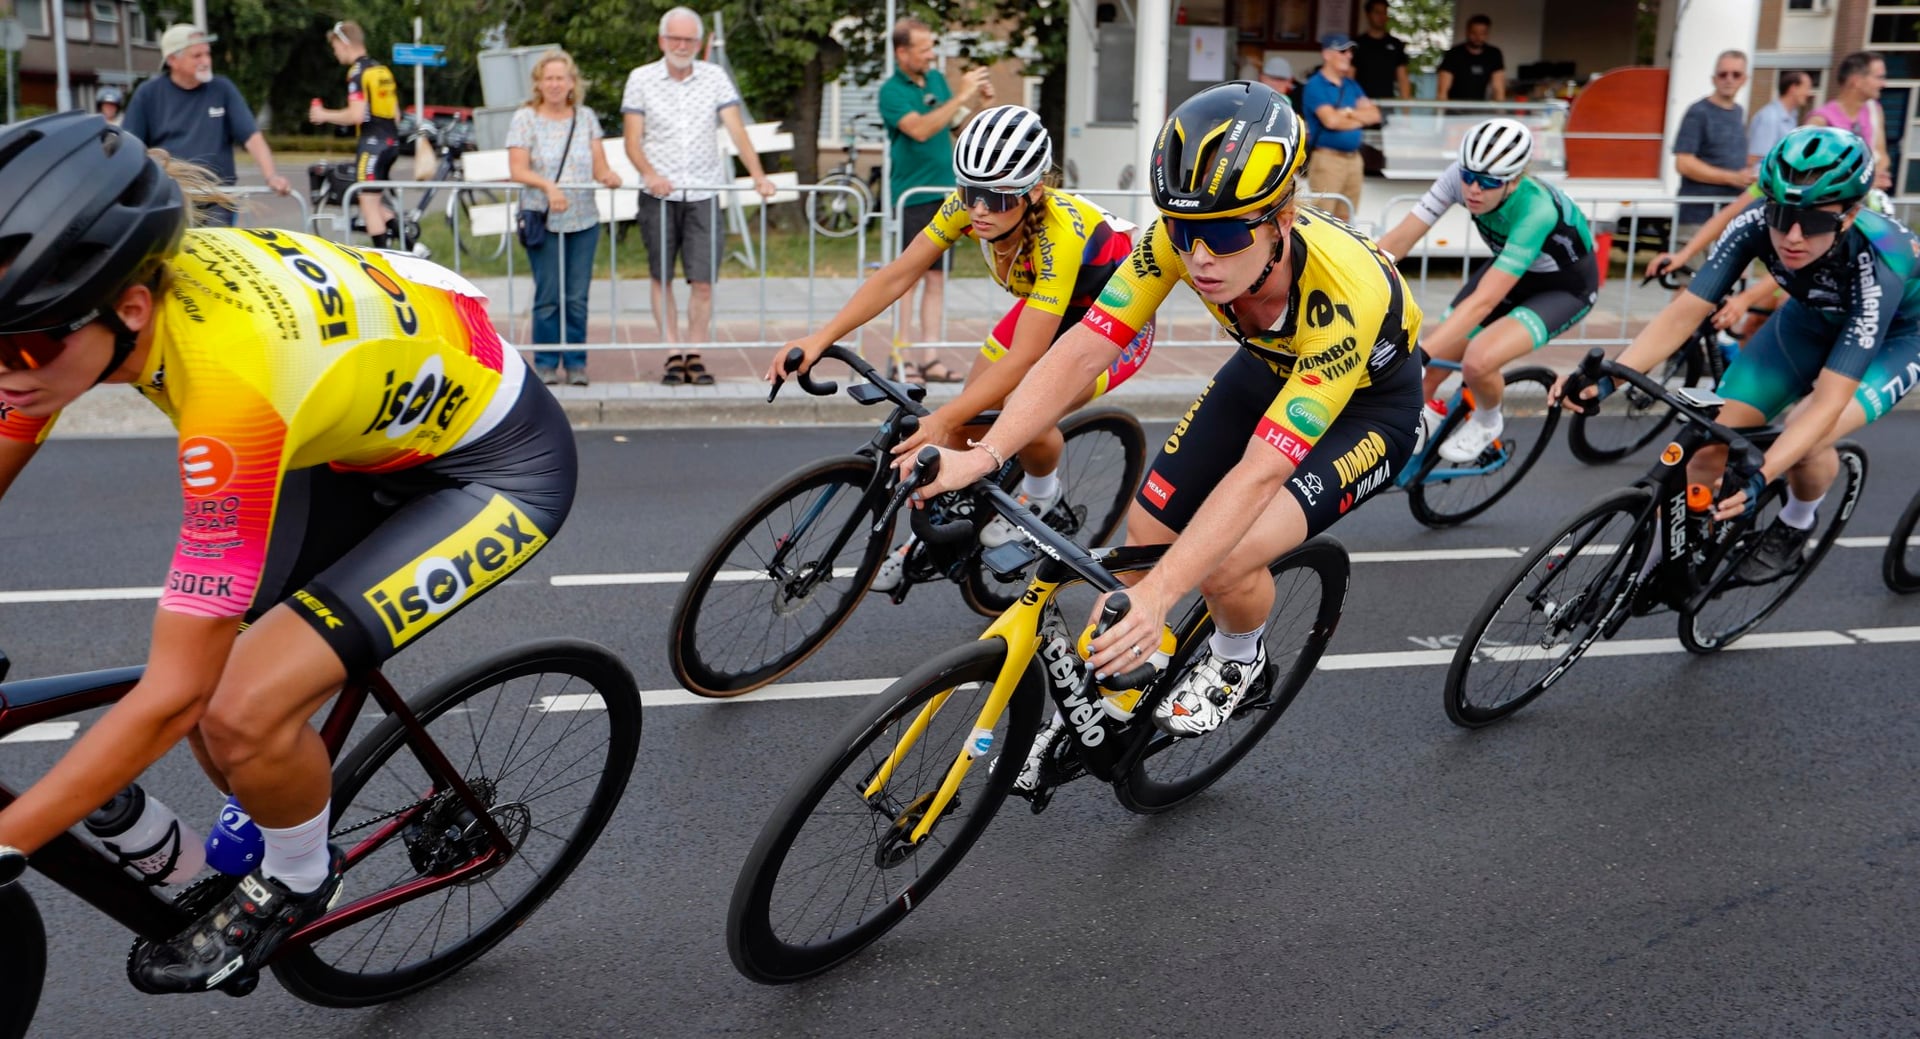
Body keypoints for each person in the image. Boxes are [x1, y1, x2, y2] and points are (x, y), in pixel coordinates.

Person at [0, 112, 576, 993]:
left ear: (131, 309)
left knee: (231, 704)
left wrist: (12, 837)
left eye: (25, 342)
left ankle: (302, 875)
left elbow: (175, 693)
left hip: (495, 465)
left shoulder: (226, 387)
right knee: (222, 691)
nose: (6, 365)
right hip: (353, 428)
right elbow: (13, 420)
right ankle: (270, 792)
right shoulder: (82, 315)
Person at [907, 81, 1422, 746]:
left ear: (1282, 219)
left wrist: (1161, 596)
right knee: (1145, 533)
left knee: (1222, 558)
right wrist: (984, 453)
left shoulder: (1344, 297)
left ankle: (1242, 660)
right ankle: (1122, 694)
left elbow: (1261, 472)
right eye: (1185, 232)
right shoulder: (1173, 244)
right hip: (1270, 366)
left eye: (1229, 233)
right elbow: (1080, 351)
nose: (1201, 258)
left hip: (1370, 407)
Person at [768, 106, 1153, 590]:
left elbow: (1026, 358)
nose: (979, 210)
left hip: (1114, 320)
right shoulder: (968, 207)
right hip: (1048, 306)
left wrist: (944, 417)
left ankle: (1043, 497)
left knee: (1022, 410)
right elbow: (899, 273)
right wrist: (820, 338)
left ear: (1034, 191)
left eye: (995, 198)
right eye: (970, 192)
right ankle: (935, 530)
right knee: (968, 421)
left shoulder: (1059, 235)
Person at [1561, 127, 1918, 583]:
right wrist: (1616, 374)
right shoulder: (1755, 225)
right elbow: (1683, 314)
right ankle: (1657, 568)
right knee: (1711, 439)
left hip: (1896, 338)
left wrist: (1763, 475)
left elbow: (1829, 402)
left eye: (1813, 223)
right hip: (1809, 320)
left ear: (1848, 217)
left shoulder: (1879, 265)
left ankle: (1796, 522)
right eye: (1781, 213)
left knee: (1805, 439)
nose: (1790, 235)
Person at [1375, 118, 1597, 461]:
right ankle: (1414, 429)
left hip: (1564, 288)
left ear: (1515, 180)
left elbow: (1485, 301)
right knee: (1434, 366)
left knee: (1476, 361)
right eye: (1468, 177)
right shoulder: (1458, 177)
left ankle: (1487, 419)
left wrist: (1419, 354)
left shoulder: (1536, 209)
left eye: (1489, 182)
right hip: (1510, 270)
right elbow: (1398, 242)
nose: (1473, 189)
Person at [621, 6, 778, 384]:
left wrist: (758, 174)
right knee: (662, 277)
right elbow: (631, 140)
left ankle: (695, 352)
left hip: (704, 191)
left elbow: (737, 131)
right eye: (675, 38)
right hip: (659, 193)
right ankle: (671, 353)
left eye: (689, 39)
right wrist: (650, 174)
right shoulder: (641, 78)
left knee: (703, 280)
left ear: (698, 42)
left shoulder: (714, 77)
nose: (681, 45)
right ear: (662, 40)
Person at [879, 17, 994, 385]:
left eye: (931, 46)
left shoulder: (937, 82)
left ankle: (929, 357)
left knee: (937, 280)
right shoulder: (891, 91)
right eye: (924, 48)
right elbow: (921, 128)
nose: (931, 55)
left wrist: (981, 103)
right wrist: (960, 95)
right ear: (902, 52)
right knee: (908, 280)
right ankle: (902, 357)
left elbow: (961, 129)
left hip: (946, 196)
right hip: (911, 197)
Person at [508, 49, 624, 387]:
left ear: (572, 83)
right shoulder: (525, 118)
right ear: (539, 84)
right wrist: (549, 187)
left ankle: (576, 363)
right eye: (549, 78)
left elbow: (598, 163)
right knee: (548, 295)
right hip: (543, 220)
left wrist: (608, 176)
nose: (555, 84)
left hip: (583, 220)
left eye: (561, 78)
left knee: (576, 296)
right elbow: (517, 168)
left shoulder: (585, 117)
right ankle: (545, 361)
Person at [121, 24, 291, 225]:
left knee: (216, 250)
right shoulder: (148, 94)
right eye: (197, 56)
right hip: (171, 197)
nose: (206, 61)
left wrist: (271, 176)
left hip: (217, 196)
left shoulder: (222, 89)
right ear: (172, 60)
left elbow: (251, 137)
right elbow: (129, 147)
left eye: (207, 54)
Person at [310, 21, 402, 248]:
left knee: (367, 203)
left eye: (335, 47)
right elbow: (396, 115)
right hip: (390, 143)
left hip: (371, 146)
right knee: (376, 203)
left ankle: (384, 263)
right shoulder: (381, 71)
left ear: (344, 43)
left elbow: (356, 115)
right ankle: (413, 246)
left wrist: (323, 114)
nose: (335, 52)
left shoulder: (357, 73)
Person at [1672, 50, 1755, 238]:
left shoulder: (1739, 113)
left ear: (1745, 80)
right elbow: (1683, 163)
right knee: (1696, 269)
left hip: (1731, 217)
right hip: (1697, 218)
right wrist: (1732, 178)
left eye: (1736, 74)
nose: (1729, 79)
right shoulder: (1698, 112)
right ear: (1714, 79)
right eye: (1723, 74)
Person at [1299, 34, 1379, 223]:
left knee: (1347, 219)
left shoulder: (1351, 85)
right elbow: (1331, 121)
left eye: (1350, 51)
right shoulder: (1315, 85)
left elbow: (1374, 115)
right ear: (1327, 54)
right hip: (1328, 160)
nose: (1349, 55)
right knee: (1324, 220)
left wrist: (1348, 113)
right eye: (1343, 51)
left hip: (1354, 159)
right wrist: (1359, 117)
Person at [1808, 51, 1895, 191]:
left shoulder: (1875, 110)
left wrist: (1877, 174)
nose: (1883, 84)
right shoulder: (1820, 120)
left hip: (1866, 202)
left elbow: (1882, 154)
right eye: (1879, 77)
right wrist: (1863, 182)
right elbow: (1806, 168)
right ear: (1856, 81)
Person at [1748, 70, 1811, 168]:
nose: (1808, 93)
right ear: (1793, 88)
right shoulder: (1770, 117)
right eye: (1806, 88)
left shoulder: (1791, 116)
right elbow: (1754, 160)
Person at [1436, 15, 1506, 102]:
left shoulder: (1494, 54)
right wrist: (1440, 114)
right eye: (1474, 33)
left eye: (1482, 33)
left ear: (1487, 34)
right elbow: (1442, 90)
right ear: (1467, 32)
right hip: (1453, 109)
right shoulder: (1453, 54)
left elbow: (1498, 89)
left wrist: (1500, 113)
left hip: (1479, 108)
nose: (1478, 37)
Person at [1352, 0, 1412, 102]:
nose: (1382, 16)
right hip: (1361, 103)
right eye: (1377, 12)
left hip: (1387, 104)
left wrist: (1406, 113)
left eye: (1384, 12)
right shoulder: (1357, 44)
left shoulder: (1396, 44)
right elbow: (1349, 78)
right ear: (1368, 14)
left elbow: (1403, 79)